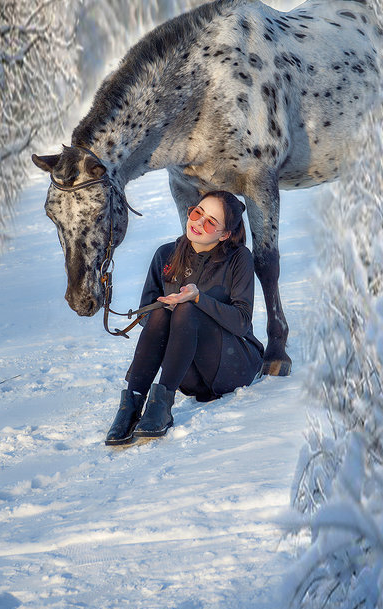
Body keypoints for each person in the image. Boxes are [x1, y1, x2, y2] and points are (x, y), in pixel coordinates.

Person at [105, 190, 264, 445]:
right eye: (197, 212)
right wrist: (166, 310)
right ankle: (131, 406)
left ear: (225, 234)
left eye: (211, 221)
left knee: (189, 307)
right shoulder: (165, 254)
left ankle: (161, 408)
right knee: (159, 310)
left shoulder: (239, 258)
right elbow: (147, 319)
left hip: (233, 365)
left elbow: (242, 322)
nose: (199, 223)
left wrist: (199, 299)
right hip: (186, 373)